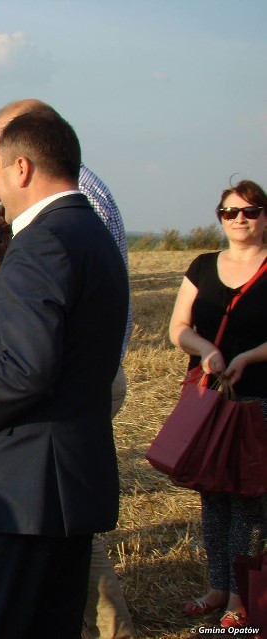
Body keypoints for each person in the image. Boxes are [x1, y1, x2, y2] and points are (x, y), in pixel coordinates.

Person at [0, 110, 129, 638]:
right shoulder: (92, 234)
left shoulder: (43, 242)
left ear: (21, 168)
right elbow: (59, 360)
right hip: (64, 484)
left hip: (20, 491)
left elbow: (28, 368)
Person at [0, 98, 136, 639]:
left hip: (75, 378)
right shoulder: (83, 196)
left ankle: (110, 627)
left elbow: (46, 340)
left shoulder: (65, 211)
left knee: (59, 515)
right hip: (83, 372)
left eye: (0, 149)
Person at [170, 179, 267, 631]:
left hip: (258, 400)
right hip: (208, 398)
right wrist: (207, 350)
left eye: (249, 211)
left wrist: (249, 356)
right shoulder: (203, 266)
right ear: (220, 218)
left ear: (264, 216)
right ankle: (216, 585)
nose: (240, 219)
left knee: (247, 500)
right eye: (230, 212)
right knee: (212, 495)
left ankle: (240, 597)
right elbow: (179, 327)